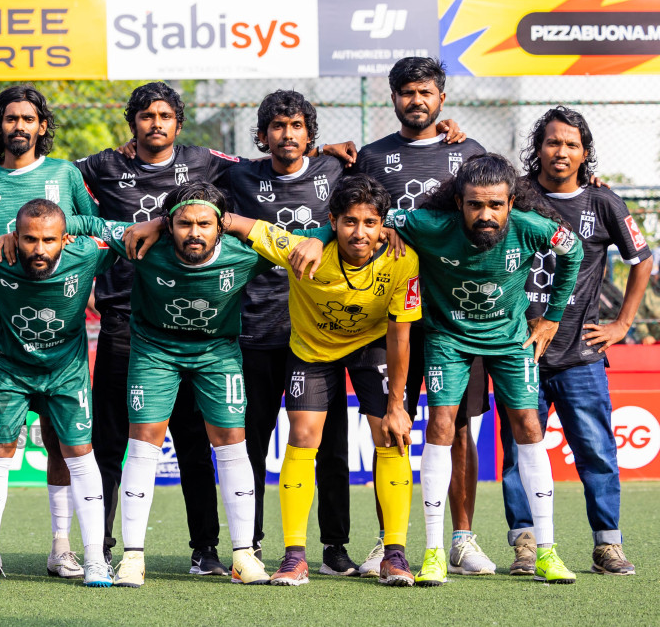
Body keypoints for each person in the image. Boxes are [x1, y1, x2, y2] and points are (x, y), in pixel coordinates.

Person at [296, 153, 583, 584]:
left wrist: (553, 316)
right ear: (458, 203)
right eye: (474, 205)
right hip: (446, 338)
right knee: (441, 426)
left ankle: (546, 551)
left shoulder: (533, 227)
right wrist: (319, 234)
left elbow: (574, 249)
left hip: (510, 340)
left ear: (511, 202)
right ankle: (432, 551)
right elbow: (363, 218)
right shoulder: (428, 224)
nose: (485, 215)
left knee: (528, 425)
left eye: (495, 205)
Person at [66, 183, 286, 587]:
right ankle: (133, 557)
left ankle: (243, 555)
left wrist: (241, 223)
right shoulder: (143, 244)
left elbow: (298, 246)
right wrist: (61, 226)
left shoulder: (244, 254)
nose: (195, 232)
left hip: (217, 354)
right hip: (154, 351)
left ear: (221, 227)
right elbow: (90, 222)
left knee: (231, 442)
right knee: (144, 440)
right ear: (170, 225)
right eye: (184, 223)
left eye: (205, 223)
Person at [207, 176, 420, 586]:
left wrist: (397, 405)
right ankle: (294, 557)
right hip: (312, 352)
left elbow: (400, 335)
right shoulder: (301, 248)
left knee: (391, 436)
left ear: (383, 226)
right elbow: (237, 222)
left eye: (371, 223)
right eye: (350, 222)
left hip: (371, 346)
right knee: (303, 436)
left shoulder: (401, 259)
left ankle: (395, 554)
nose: (360, 233)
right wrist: (166, 221)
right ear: (333, 221)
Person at [0, 85, 98, 579]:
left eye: (29, 118)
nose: (20, 127)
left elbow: (88, 225)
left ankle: (61, 545)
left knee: (61, 439)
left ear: (42, 125)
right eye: (11, 119)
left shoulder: (64, 173)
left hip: (58, 334)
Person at [346, 57, 492, 577]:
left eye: (425, 91)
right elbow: (350, 213)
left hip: (456, 312)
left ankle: (462, 538)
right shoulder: (373, 156)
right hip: (391, 313)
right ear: (393, 98)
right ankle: (391, 544)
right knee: (391, 425)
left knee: (459, 427)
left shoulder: (468, 152)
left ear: (442, 99)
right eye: (406, 92)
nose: (416, 100)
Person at [496, 107, 648, 575]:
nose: (560, 151)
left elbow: (641, 259)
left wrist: (622, 324)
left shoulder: (603, 202)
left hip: (581, 355)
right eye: (552, 142)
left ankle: (607, 545)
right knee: (520, 451)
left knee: (597, 451)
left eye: (571, 144)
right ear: (537, 148)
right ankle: (525, 544)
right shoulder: (514, 195)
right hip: (518, 351)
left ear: (584, 153)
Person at [0, 199, 121, 589]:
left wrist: (86, 222)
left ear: (65, 239)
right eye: (29, 239)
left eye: (48, 240)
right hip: (8, 370)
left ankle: (91, 555)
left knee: (78, 453)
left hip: (66, 372)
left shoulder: (87, 253)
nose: (39, 249)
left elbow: (131, 231)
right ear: (15, 235)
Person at [222, 90, 357, 576]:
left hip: (320, 335)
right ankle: (250, 544)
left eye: (297, 126)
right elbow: (192, 190)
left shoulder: (336, 172)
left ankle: (335, 548)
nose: (287, 134)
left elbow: (371, 211)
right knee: (251, 445)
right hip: (256, 330)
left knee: (330, 446)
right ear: (262, 136)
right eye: (277, 126)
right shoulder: (237, 175)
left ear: (309, 134)